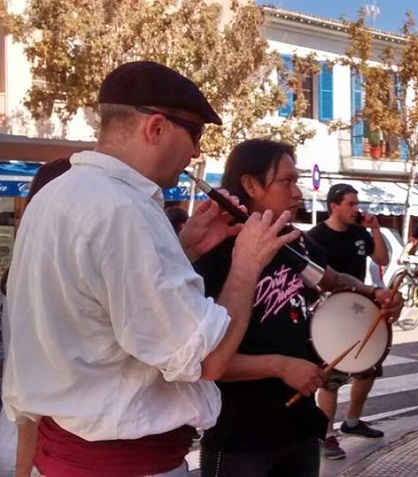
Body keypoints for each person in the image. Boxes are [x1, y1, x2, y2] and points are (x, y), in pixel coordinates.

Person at [1, 61, 296, 477]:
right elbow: (208, 359)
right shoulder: (125, 209)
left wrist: (182, 249)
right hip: (122, 465)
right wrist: (247, 262)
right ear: (156, 128)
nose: (196, 151)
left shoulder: (57, 194)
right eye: (194, 133)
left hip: (62, 453)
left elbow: (98, 302)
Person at [193, 140, 402, 476]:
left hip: (299, 429)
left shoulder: (294, 240)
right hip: (240, 438)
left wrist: (374, 293)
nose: (296, 192)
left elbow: (331, 280)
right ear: (250, 185)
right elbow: (204, 361)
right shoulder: (213, 250)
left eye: (297, 180)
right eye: (286, 182)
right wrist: (280, 366)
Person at [307, 183, 390, 460]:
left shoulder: (359, 233)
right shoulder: (316, 237)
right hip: (330, 313)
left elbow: (382, 258)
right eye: (350, 204)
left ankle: (352, 421)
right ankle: (326, 434)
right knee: (330, 379)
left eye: (357, 203)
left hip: (360, 308)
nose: (356, 209)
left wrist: (375, 229)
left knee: (368, 368)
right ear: (334, 206)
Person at [0, 158, 72, 476]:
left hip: (27, 436)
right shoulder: (47, 283)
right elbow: (30, 383)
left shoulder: (18, 274)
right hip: (43, 446)